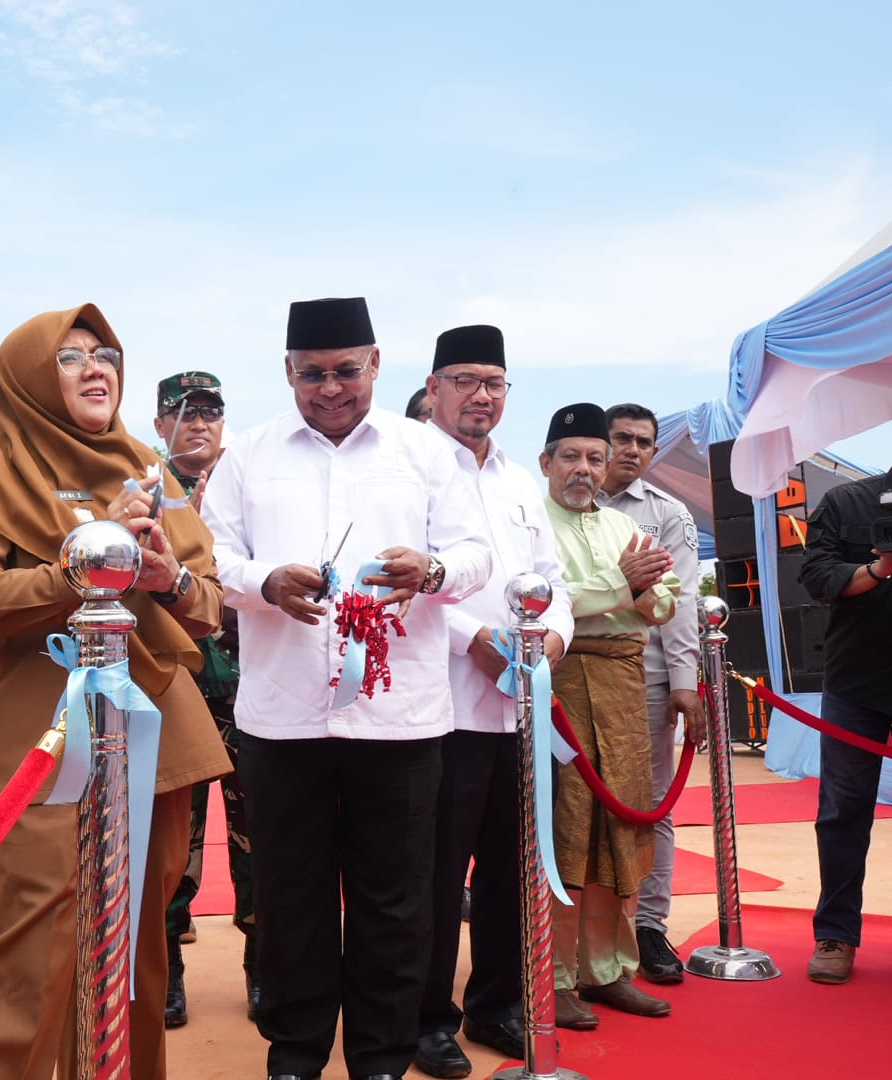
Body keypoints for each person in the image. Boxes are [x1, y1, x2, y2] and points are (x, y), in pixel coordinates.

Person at [0, 303, 230, 1080]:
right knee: (27, 958)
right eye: (70, 356)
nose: (96, 368)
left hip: (154, 736)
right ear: (27, 378)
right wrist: (83, 559)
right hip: (45, 745)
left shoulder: (150, 474)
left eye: (106, 355)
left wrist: (167, 578)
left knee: (136, 955)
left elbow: (209, 606)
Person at [203, 296, 492, 1080]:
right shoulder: (248, 456)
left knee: (395, 902)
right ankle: (295, 1057)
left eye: (346, 371)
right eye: (312, 375)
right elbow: (214, 560)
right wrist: (266, 581)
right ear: (287, 371)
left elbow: (476, 554)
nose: (330, 389)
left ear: (376, 364)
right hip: (282, 722)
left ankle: (381, 1060)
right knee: (290, 898)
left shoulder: (425, 452)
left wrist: (432, 570)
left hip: (399, 721)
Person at [412, 325, 574, 1079]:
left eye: (495, 383)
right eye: (466, 380)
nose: (482, 396)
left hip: (522, 706)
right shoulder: (408, 467)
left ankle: (498, 1002)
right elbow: (395, 579)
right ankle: (425, 1019)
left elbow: (552, 579)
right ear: (435, 387)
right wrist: (472, 637)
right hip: (441, 705)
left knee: (514, 864)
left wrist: (555, 638)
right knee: (436, 872)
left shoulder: (516, 480)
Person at [540, 403, 678, 1030]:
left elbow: (665, 599)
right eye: (571, 456)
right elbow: (546, 601)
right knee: (565, 832)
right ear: (546, 461)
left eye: (595, 459)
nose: (585, 469)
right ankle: (554, 974)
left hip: (624, 685)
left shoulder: (623, 525)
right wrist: (621, 588)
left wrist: (632, 591)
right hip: (562, 682)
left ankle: (609, 971)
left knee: (618, 830)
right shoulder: (531, 524)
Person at [150, 371, 256, 1028]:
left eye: (210, 412)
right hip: (174, 686)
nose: (198, 423)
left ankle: (264, 967)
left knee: (261, 835)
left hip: (251, 687)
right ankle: (165, 969)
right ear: (160, 424)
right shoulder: (141, 489)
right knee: (172, 839)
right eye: (184, 413)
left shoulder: (250, 484)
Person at [595, 403, 704, 985]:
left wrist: (684, 682)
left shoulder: (668, 514)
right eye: (622, 438)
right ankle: (578, 933)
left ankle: (650, 926)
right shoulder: (565, 501)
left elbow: (681, 600)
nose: (632, 450)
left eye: (643, 442)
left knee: (653, 805)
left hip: (649, 677)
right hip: (576, 673)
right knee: (576, 804)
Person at [798, 426, 892, 984]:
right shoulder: (846, 501)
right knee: (842, 811)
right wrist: (878, 570)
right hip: (855, 682)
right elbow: (815, 576)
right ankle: (835, 933)